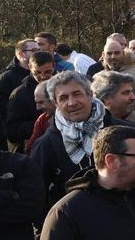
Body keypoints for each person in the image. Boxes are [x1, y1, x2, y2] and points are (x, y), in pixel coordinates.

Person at [31, 71, 129, 206]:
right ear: (55, 103)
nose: (71, 103)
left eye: (77, 94)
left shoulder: (124, 132)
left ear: (90, 94)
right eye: (63, 98)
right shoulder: (45, 145)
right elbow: (37, 194)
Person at [4, 49, 55, 152]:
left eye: (48, 72)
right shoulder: (19, 94)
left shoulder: (61, 87)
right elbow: (11, 131)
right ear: (30, 68)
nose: (43, 76)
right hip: (31, 150)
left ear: (53, 66)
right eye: (38, 72)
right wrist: (41, 125)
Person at [0, 39, 38, 145]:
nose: (38, 53)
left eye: (39, 49)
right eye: (34, 50)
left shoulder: (40, 75)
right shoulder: (5, 79)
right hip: (16, 140)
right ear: (21, 53)